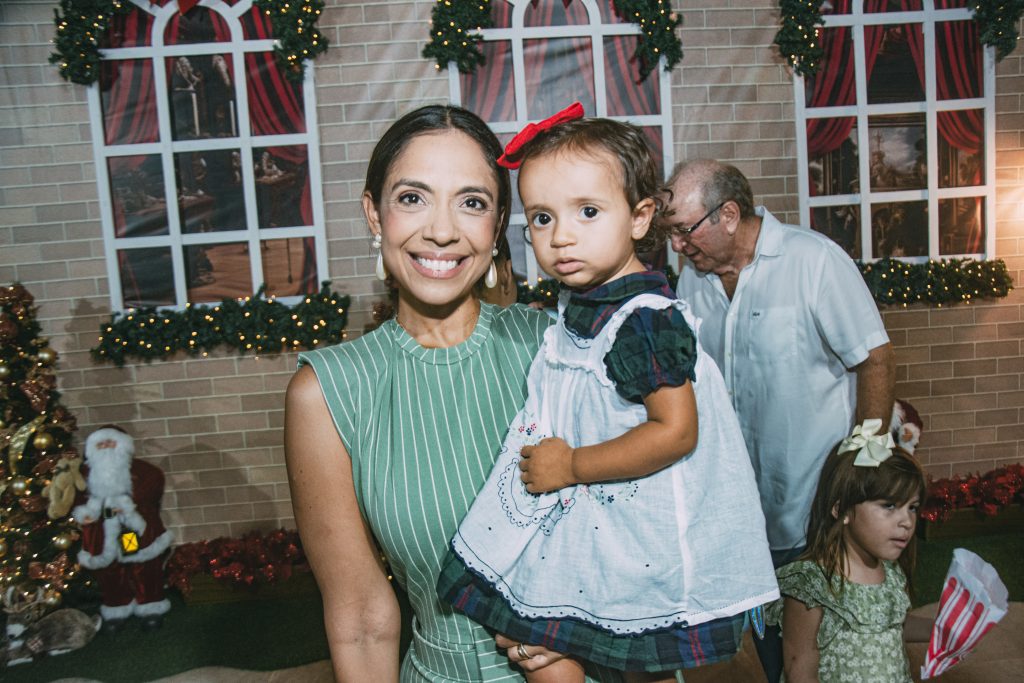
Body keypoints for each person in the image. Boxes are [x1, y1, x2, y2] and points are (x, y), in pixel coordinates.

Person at [437, 104, 778, 683]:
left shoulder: (642, 321)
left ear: (640, 218)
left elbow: (676, 431)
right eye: (541, 218)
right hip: (601, 528)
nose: (561, 236)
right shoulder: (586, 308)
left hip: (645, 542)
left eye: (587, 212)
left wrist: (571, 463)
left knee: (643, 663)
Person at [284, 105, 614, 682]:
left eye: (471, 202)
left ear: (498, 225)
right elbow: (361, 616)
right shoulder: (329, 392)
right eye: (413, 197)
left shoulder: (559, 348)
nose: (441, 229)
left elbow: (644, 527)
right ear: (373, 214)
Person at [664, 158, 895, 682]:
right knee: (773, 648)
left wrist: (864, 469)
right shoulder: (693, 279)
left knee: (831, 649)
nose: (677, 245)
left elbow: (875, 358)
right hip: (743, 511)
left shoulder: (812, 261)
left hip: (818, 504)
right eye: (671, 234)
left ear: (728, 214)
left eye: (683, 231)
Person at [765, 420, 932, 682]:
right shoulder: (812, 585)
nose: (906, 521)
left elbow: (890, 625)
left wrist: (940, 630)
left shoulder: (890, 573)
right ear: (840, 510)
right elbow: (800, 669)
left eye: (912, 507)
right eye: (889, 506)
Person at [73, 426, 173, 633]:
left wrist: (128, 504)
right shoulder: (84, 475)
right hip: (101, 532)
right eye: (101, 444)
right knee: (110, 572)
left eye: (111, 442)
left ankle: (149, 607)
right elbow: (77, 498)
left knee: (141, 565)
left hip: (129, 530)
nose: (106, 447)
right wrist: (88, 512)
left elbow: (153, 488)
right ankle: (117, 608)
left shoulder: (142, 471)